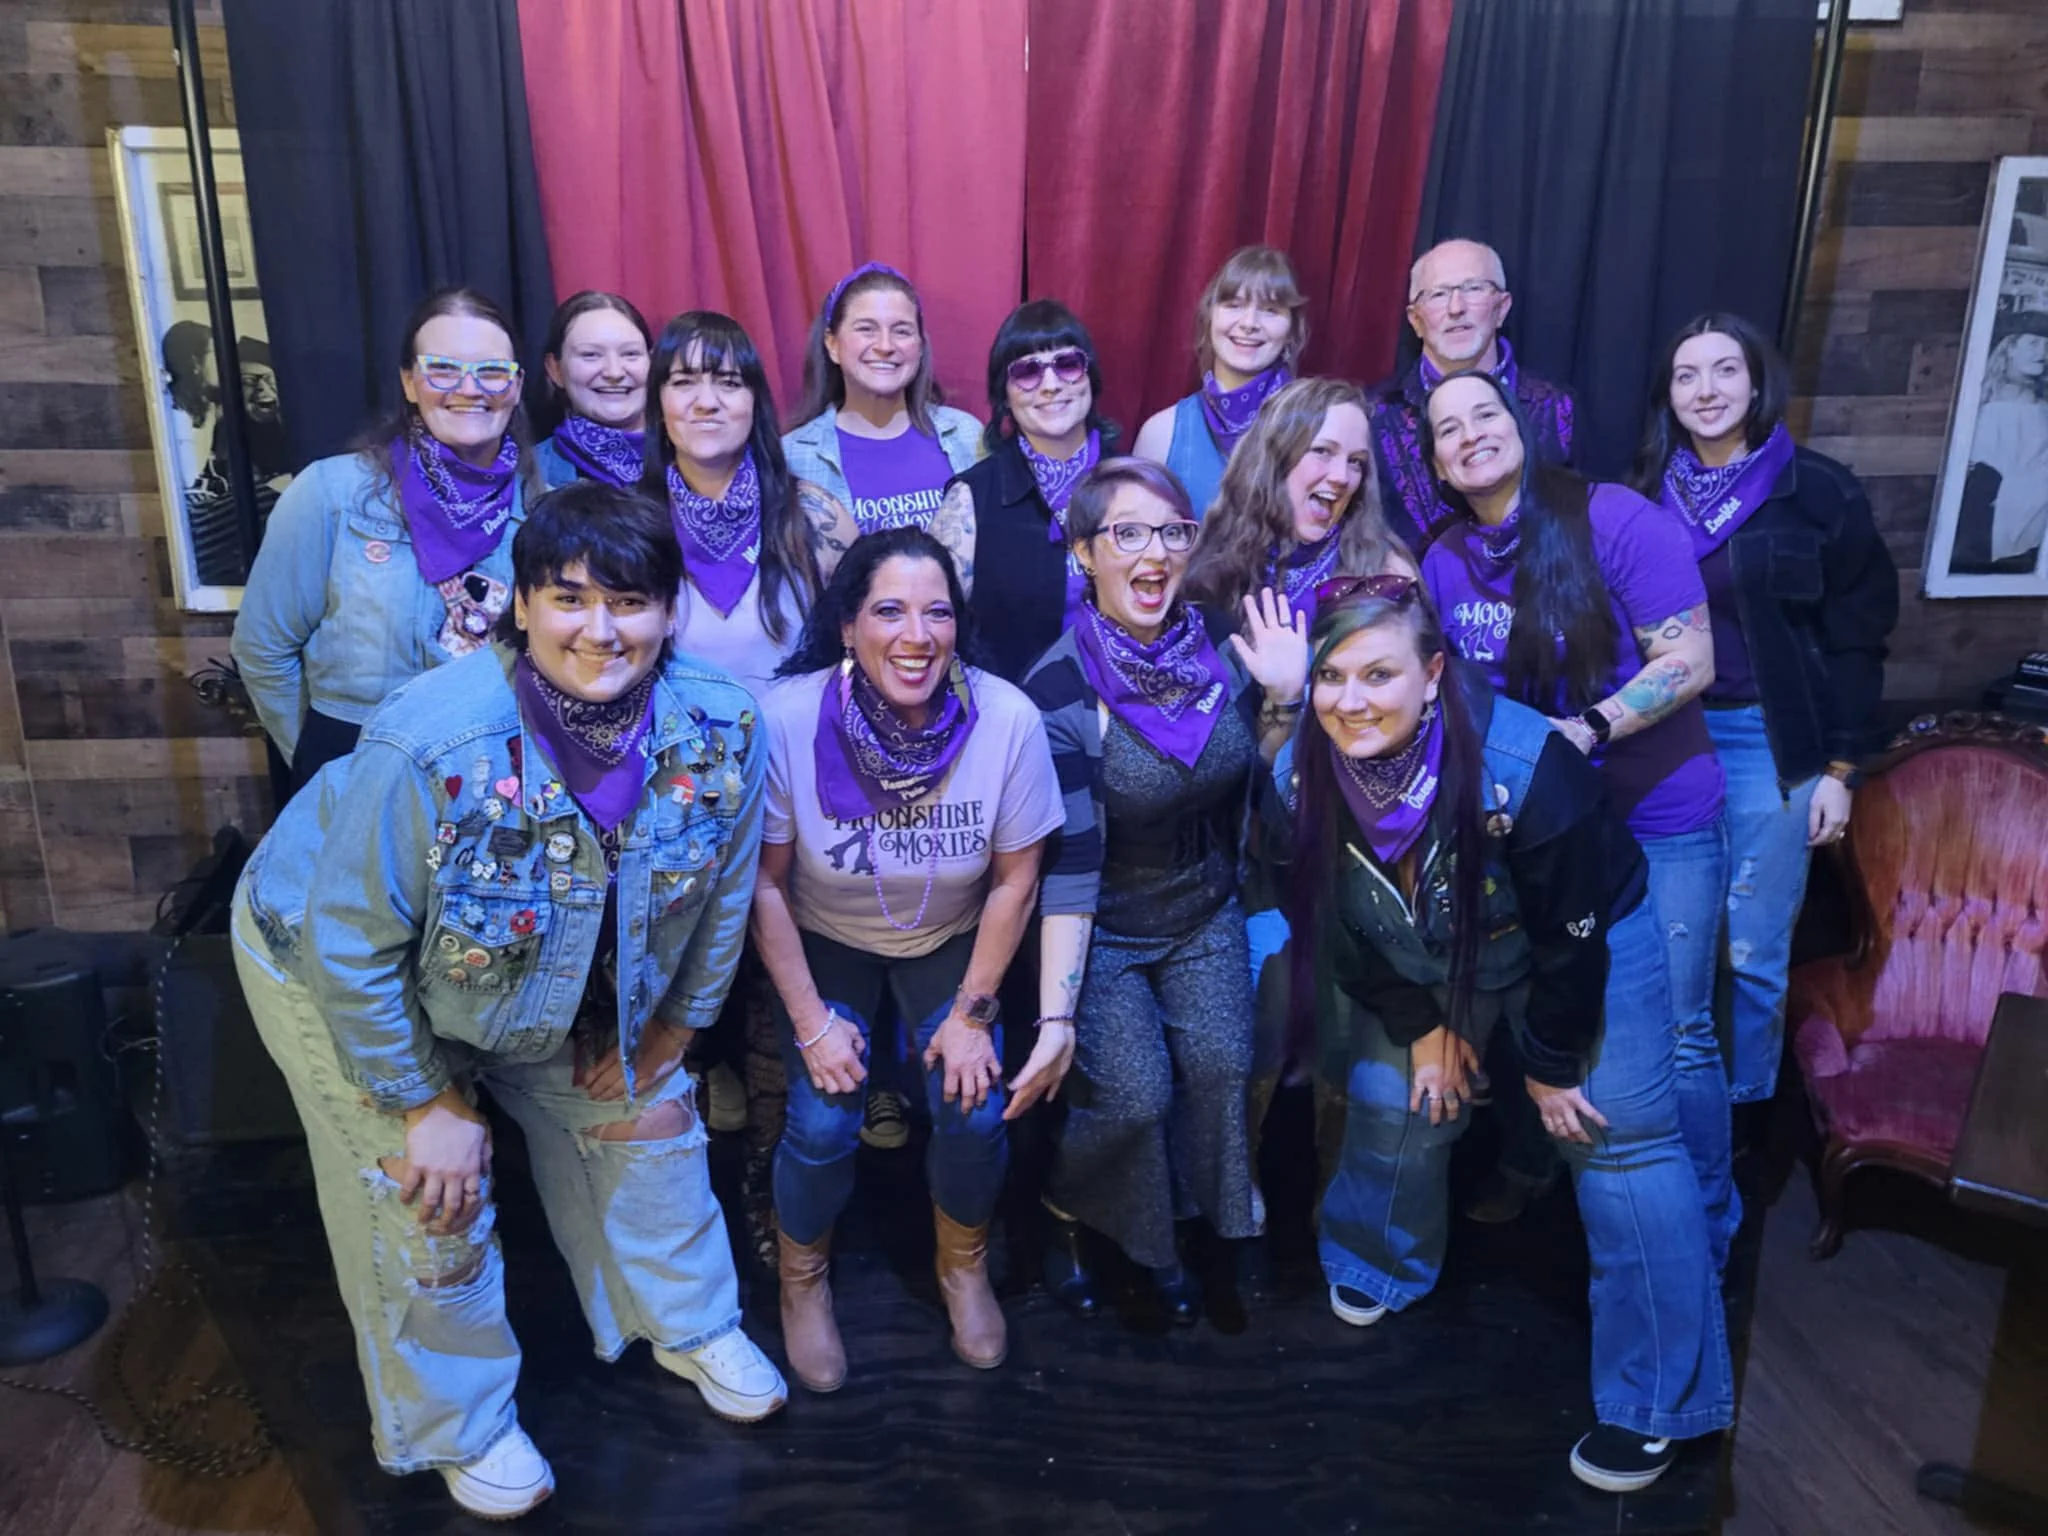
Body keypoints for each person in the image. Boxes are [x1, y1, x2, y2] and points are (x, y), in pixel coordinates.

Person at [227, 482, 787, 1520]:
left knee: (650, 1120)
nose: (600, 630)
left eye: (629, 602)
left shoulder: (724, 724)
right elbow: (352, 945)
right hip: (334, 960)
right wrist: (423, 1102)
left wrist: (675, 1027)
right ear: (521, 606)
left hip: (537, 972)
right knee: (430, 1196)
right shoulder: (431, 739)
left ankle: (689, 1322)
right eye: (569, 598)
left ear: (670, 612)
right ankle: (461, 1424)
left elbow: (723, 893)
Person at [1272, 576, 1733, 1494]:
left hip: (1581, 945)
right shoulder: (1297, 776)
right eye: (1330, 676)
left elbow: (1573, 941)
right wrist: (1423, 1027)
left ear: (1434, 672)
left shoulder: (1525, 762)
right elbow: (1326, 921)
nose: (1350, 701)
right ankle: (1378, 1258)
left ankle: (1658, 1401)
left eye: (1378, 674)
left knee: (1617, 1139)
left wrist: (1551, 1064)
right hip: (1426, 954)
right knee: (1393, 1098)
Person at [1421, 371, 1739, 1263]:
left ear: (1521, 425)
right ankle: (1536, 1171)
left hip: (1655, 811)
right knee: (1541, 1004)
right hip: (1541, 832)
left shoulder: (1617, 520)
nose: (1471, 434)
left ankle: (1708, 1230)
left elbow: (1691, 659)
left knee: (1680, 1030)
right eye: (1448, 429)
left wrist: (1585, 731)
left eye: (1486, 414)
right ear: (1438, 465)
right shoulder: (1444, 560)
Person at [753, 527, 1063, 1391]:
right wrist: (811, 1024)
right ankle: (803, 1280)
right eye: (889, 611)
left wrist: (972, 1014)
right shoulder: (786, 719)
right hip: (822, 936)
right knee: (823, 1122)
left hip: (951, 937)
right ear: (847, 626)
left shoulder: (1006, 719)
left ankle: (963, 1267)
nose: (916, 636)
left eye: (938, 613)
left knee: (972, 1109)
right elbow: (762, 886)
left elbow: (1017, 881)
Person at [1018, 458, 1300, 1324]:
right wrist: (1057, 1015)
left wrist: (1286, 701)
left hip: (1204, 906)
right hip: (1101, 922)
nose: (1155, 552)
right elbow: (1068, 870)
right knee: (1135, 1098)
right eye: (1128, 533)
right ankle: (1069, 1209)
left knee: (1220, 1070)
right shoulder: (1059, 690)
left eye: (1172, 532)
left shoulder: (1221, 643)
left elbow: (1259, 792)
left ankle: (1203, 1228)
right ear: (1084, 554)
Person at [1629, 313, 1897, 1122]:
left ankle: (1740, 1121)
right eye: (1686, 375)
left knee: (1747, 949)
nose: (1705, 390)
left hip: (1768, 745)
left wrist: (1841, 770)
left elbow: (1858, 637)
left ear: (1757, 384)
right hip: (1664, 741)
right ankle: (1662, 1108)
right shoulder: (1641, 495)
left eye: (1725, 371)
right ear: (1668, 395)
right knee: (1661, 941)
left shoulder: (1816, 491)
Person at [1182, 376, 1412, 1213]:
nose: (1340, 475)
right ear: (1276, 456)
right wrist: (1278, 706)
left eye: (1356, 461)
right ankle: (1228, 1207)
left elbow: (1410, 729)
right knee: (1257, 1027)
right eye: (1321, 452)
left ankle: (1329, 1219)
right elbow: (1197, 749)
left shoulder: (1383, 575)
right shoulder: (1209, 573)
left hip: (1351, 845)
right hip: (1234, 852)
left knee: (1341, 1039)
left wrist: (1299, 701)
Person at [233, 286, 537, 787]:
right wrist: (321, 769)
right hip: (355, 762)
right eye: (443, 369)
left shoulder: (543, 507)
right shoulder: (332, 495)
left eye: (491, 371)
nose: (469, 388)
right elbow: (262, 648)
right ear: (410, 383)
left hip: (492, 769)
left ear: (517, 385)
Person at [648, 309, 840, 698]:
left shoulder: (814, 514)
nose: (707, 402)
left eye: (729, 382)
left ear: (755, 401)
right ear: (659, 402)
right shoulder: (632, 522)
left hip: (795, 735)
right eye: (683, 382)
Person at [940, 299, 1119, 682]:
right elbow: (938, 629)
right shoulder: (969, 500)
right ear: (1004, 395)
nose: (1051, 386)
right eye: (1027, 372)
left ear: (1090, 377)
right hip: (1013, 709)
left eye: (1067, 365)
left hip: (1126, 705)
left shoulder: (1134, 484)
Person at [1370, 239, 1575, 551]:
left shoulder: (1559, 409)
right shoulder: (1374, 414)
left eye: (1474, 288)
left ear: (1501, 308)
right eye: (1438, 294)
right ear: (1415, 320)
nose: (1456, 308)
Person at [782, 263, 982, 572]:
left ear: (920, 346)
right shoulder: (793, 455)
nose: (885, 346)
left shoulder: (967, 435)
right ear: (832, 344)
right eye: (866, 329)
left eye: (902, 331)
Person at [1132, 245, 1308, 521]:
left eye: (1270, 309)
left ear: (1291, 331)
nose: (1249, 323)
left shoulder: (1317, 428)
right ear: (1209, 317)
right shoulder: (1161, 433)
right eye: (1234, 305)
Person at [1951, 316, 2048, 575]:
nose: (2042, 353)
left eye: (2047, 346)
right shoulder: (1984, 402)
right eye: (2033, 343)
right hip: (1988, 515)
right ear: (2010, 348)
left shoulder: (2042, 407)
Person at [531, 290, 653, 489]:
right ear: (555, 370)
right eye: (591, 355)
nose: (614, 372)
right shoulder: (528, 475)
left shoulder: (695, 456)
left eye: (630, 354)